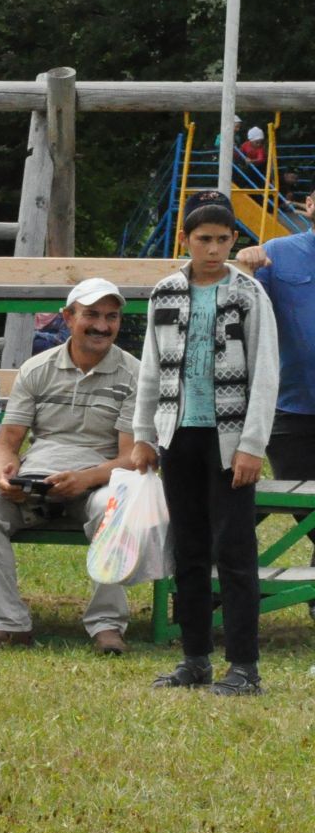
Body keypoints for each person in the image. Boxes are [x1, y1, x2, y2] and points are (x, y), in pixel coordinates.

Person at [132, 196, 279, 696]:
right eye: (203, 240)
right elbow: (150, 368)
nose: (213, 249)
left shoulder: (249, 294)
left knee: (234, 550)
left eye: (222, 239)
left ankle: (244, 666)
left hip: (230, 437)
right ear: (186, 242)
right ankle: (194, 658)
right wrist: (144, 435)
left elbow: (265, 373)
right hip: (179, 434)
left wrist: (252, 444)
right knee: (189, 550)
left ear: (233, 241)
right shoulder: (164, 294)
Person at [0, 278, 141, 653]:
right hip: (37, 482)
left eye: (112, 317)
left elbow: (130, 457)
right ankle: (10, 623)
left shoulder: (134, 375)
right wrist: (3, 474)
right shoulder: (37, 368)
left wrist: (85, 479)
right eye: (91, 315)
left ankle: (107, 626)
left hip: (99, 481)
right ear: (67, 317)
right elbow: (7, 442)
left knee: (118, 504)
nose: (102, 326)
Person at [236, 194, 315, 605]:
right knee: (300, 501)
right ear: (308, 205)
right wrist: (247, 266)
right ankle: (223, 587)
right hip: (291, 406)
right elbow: (246, 311)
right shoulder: (278, 254)